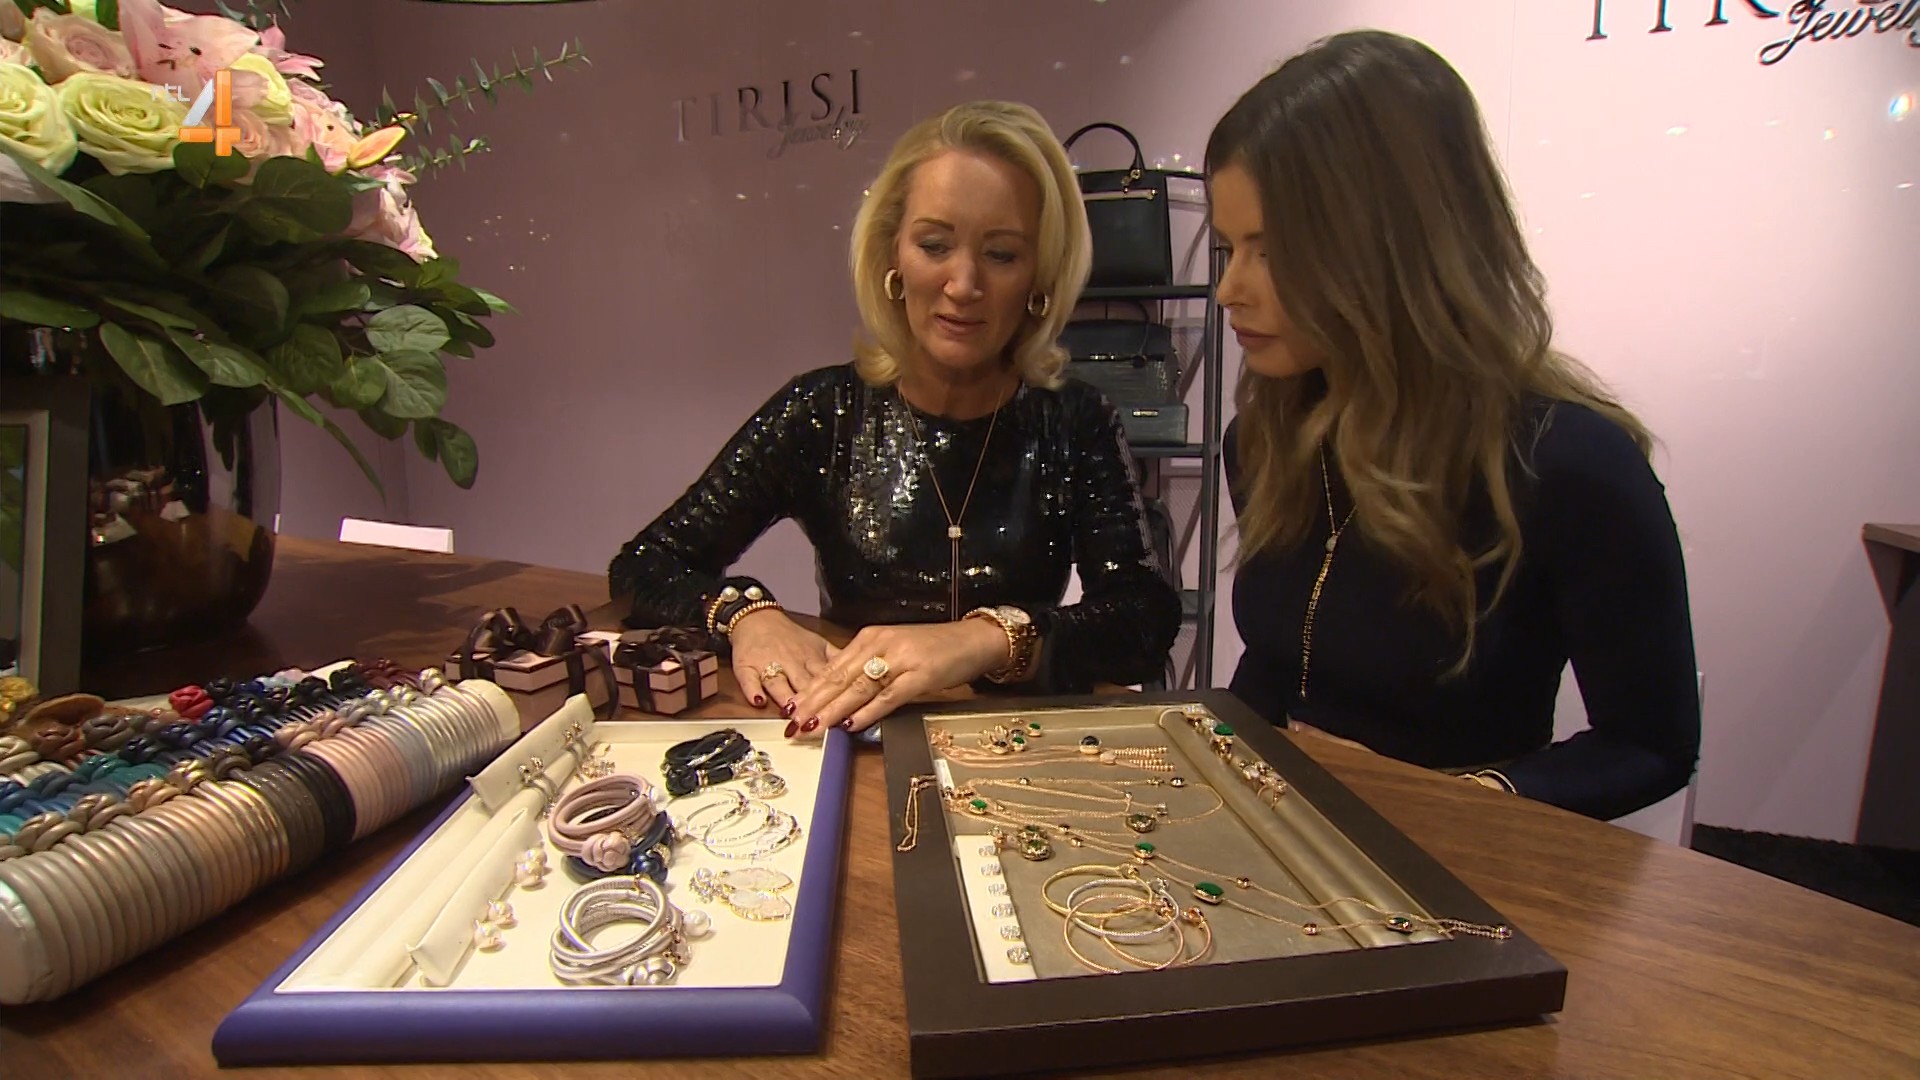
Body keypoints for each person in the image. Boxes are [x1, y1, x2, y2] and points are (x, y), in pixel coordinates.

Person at [1209, 30, 1700, 820]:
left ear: (1390, 245)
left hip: (1463, 867)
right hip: (1286, 845)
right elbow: (1276, 668)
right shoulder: (1266, 444)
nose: (1229, 289)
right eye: (1228, 249)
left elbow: (1650, 745)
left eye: (1269, 252)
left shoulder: (1569, 466)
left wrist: (1450, 806)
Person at [609, 100, 1181, 738]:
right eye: (934, 245)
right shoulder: (822, 412)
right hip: (850, 744)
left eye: (1001, 254)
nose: (963, 284)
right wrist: (746, 614)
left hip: (1014, 749)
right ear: (893, 258)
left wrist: (987, 639)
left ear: (1039, 277)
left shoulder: (1074, 420)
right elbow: (643, 566)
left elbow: (1144, 620)